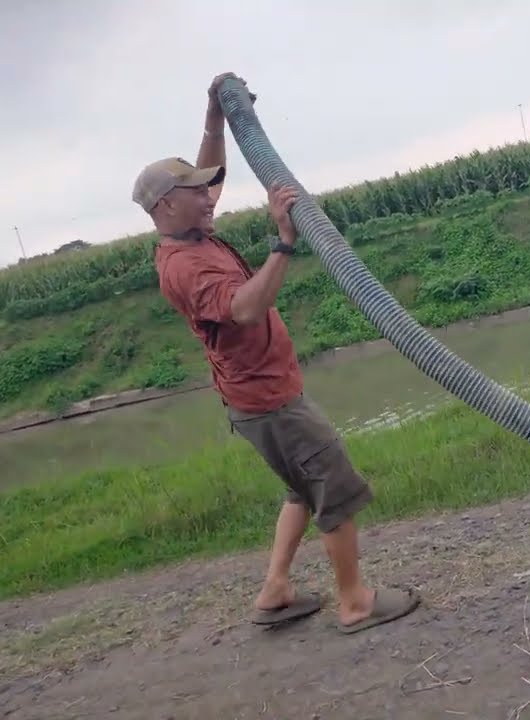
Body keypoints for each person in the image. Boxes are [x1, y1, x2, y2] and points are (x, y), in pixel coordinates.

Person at [130, 71, 421, 634]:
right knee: (332, 484)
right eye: (197, 191)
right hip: (269, 401)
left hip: (256, 396)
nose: (209, 195)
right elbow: (244, 307)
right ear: (166, 207)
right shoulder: (187, 265)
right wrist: (283, 240)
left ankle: (276, 590)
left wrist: (215, 117)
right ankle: (355, 601)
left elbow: (208, 177)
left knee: (299, 486)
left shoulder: (190, 230)